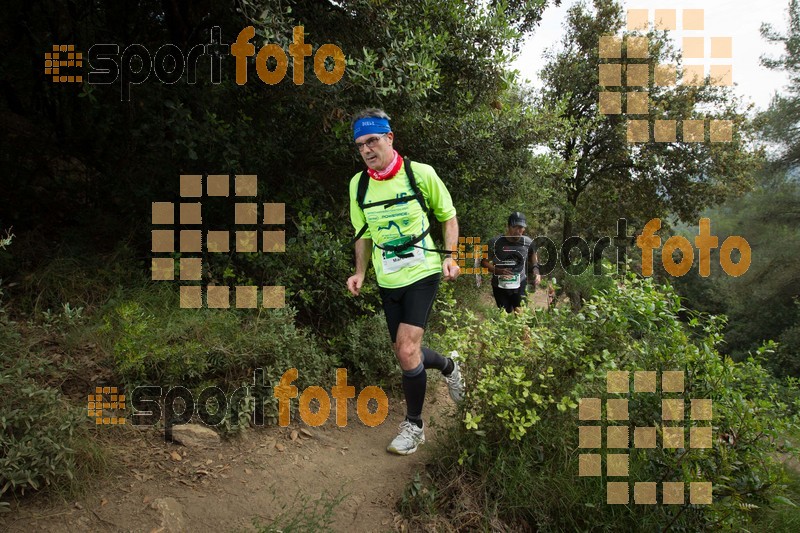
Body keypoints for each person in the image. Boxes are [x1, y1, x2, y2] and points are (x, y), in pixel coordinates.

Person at [346, 108, 464, 455]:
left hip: (423, 270)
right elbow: (363, 232)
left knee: (408, 348)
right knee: (404, 351)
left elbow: (448, 216)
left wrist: (449, 256)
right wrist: (361, 272)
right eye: (360, 145)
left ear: (389, 138)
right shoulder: (359, 184)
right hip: (388, 276)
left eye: (373, 141)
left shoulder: (420, 174)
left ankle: (414, 426)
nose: (367, 150)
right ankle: (449, 366)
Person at [481, 212, 541, 313]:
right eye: (515, 227)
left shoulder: (528, 242)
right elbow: (484, 262)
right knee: (505, 314)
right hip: (499, 285)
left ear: (524, 228)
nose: (518, 231)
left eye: (521, 227)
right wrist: (498, 270)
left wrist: (536, 270)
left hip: (520, 283)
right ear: (508, 226)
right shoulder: (494, 242)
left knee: (521, 314)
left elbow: (533, 255)